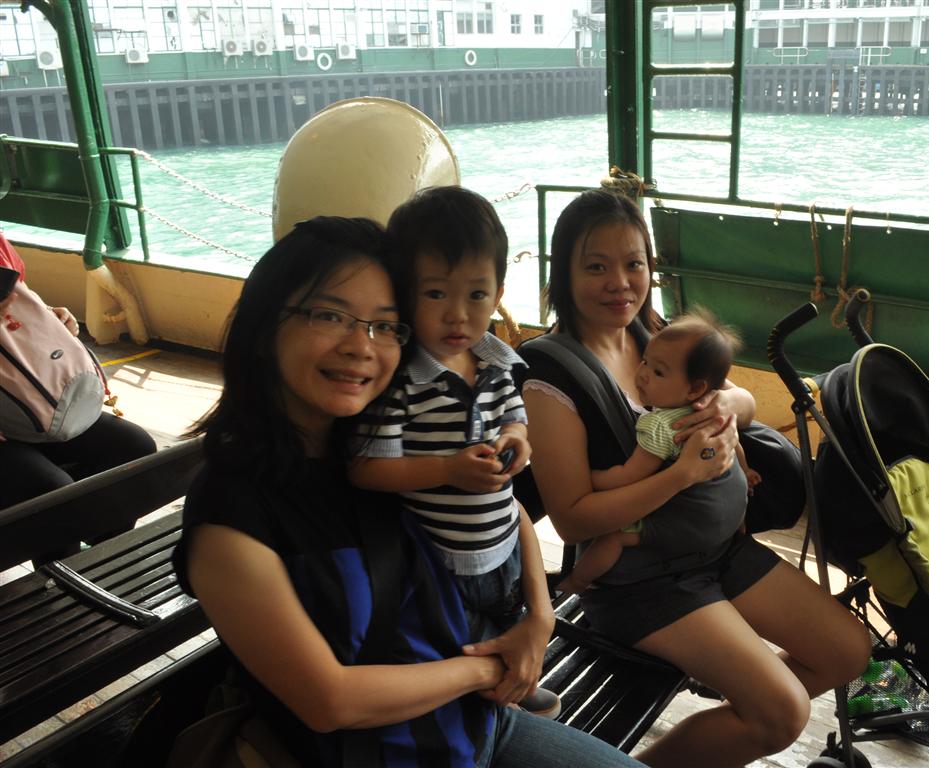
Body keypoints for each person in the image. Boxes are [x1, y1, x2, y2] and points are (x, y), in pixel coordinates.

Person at [172, 216, 639, 767]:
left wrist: (539, 618)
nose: (361, 346)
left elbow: (507, 508)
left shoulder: (373, 446)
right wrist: (492, 668)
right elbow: (329, 701)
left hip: (477, 726)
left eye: (385, 326)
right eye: (329, 315)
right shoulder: (231, 517)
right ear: (264, 325)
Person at [521, 189, 872, 768]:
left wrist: (724, 410)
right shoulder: (549, 375)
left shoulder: (651, 334)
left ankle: (729, 721)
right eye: (596, 266)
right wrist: (683, 475)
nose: (620, 283)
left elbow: (742, 400)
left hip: (713, 550)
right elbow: (574, 519)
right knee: (782, 713)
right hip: (639, 579)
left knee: (848, 650)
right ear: (564, 272)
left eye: (634, 263)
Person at [348, 186, 559, 718]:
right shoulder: (401, 382)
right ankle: (483, 703)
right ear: (405, 293)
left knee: (506, 621)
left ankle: (512, 682)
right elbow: (367, 470)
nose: (458, 317)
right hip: (441, 562)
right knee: (461, 641)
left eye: (477, 295)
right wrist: (446, 469)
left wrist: (518, 441)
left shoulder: (496, 363)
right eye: (436, 294)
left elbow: (516, 419)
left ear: (499, 292)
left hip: (505, 545)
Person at [558, 308, 761, 594]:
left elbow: (630, 475)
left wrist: (591, 479)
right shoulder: (713, 413)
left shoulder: (661, 426)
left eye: (658, 372)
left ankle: (576, 582)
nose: (642, 375)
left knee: (614, 538)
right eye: (644, 362)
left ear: (695, 389)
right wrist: (746, 469)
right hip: (735, 512)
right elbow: (733, 443)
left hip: (697, 524)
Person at [0, 232, 157, 533]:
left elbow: (22, 309)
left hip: (27, 398)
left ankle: (106, 551)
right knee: (53, 493)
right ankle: (58, 560)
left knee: (134, 449)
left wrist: (52, 319)